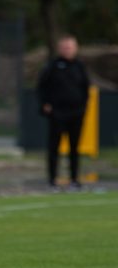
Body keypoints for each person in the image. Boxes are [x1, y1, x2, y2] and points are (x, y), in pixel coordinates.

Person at [37, 35, 90, 190]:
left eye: (71, 47)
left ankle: (74, 179)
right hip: (57, 113)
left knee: (75, 148)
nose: (68, 50)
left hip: (76, 113)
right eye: (65, 47)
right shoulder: (52, 66)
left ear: (76, 48)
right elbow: (42, 87)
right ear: (60, 49)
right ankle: (52, 180)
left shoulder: (80, 66)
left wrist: (83, 107)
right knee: (54, 147)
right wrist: (45, 105)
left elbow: (86, 88)